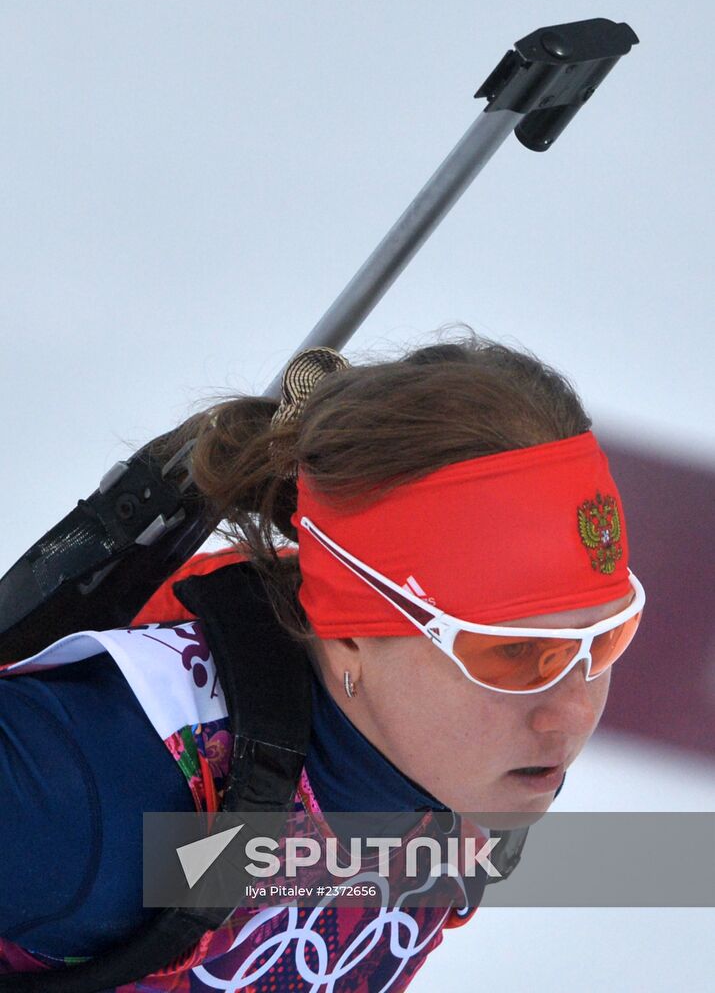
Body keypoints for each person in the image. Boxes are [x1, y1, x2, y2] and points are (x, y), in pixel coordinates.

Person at [0, 331, 644, 991]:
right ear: (349, 637)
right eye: (511, 653)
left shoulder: (476, 770)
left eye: (606, 639)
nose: (571, 711)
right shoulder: (96, 788)